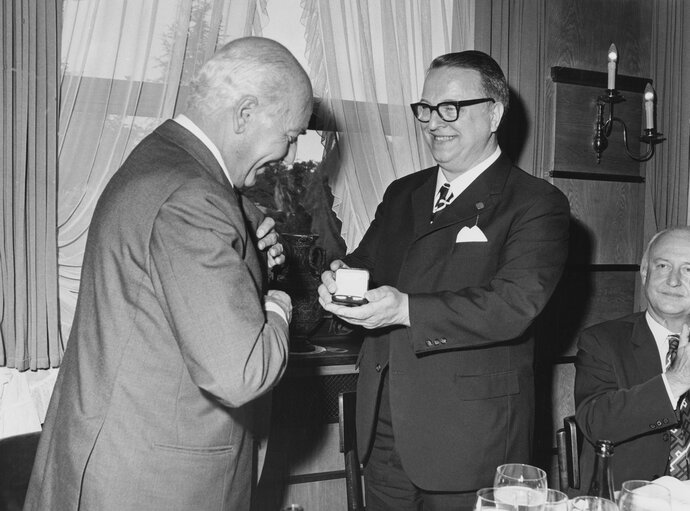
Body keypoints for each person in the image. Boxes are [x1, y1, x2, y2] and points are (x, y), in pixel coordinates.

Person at [24, 37, 313, 511]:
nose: (288, 152)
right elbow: (242, 373)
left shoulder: (161, 159)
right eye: (290, 133)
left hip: (118, 460)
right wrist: (276, 302)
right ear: (244, 114)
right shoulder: (194, 198)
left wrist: (243, 233)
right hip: (155, 483)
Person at [318, 50, 570, 510]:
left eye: (451, 108)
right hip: (384, 429)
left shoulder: (536, 203)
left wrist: (405, 309)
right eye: (426, 109)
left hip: (472, 440)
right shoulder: (402, 192)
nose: (436, 122)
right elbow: (365, 263)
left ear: (493, 112)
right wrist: (338, 279)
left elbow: (513, 306)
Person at [574, 227, 690, 491]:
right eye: (662, 265)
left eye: (688, 269)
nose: (673, 281)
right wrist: (675, 382)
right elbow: (596, 424)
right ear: (645, 272)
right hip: (627, 499)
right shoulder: (602, 342)